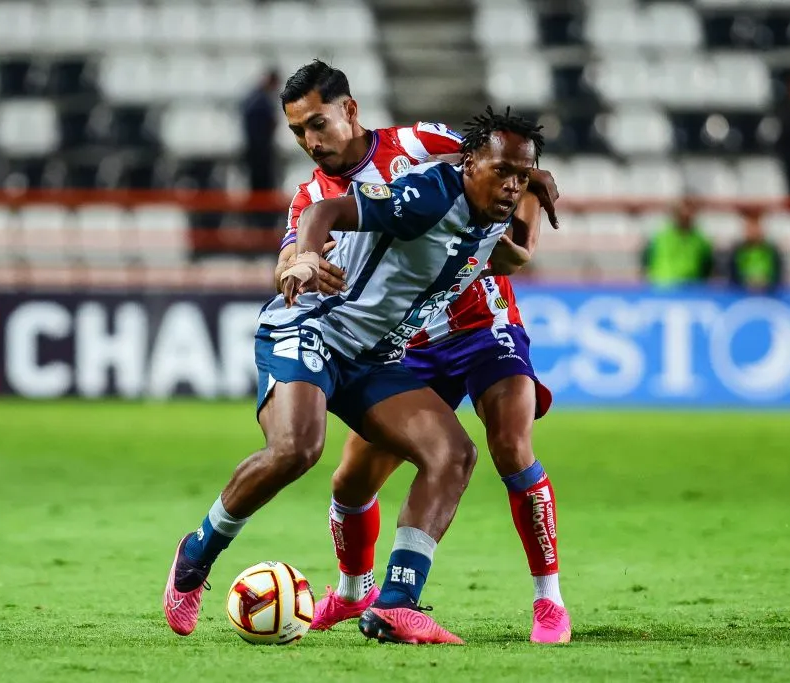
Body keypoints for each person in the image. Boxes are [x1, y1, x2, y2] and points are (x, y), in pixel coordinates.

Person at [163, 107, 544, 646]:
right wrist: (305, 259)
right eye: (501, 171)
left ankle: (394, 604)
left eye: (520, 176)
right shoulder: (429, 196)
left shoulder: (492, 204)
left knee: (452, 455)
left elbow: (503, 255)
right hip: (314, 328)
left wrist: (529, 186)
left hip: (374, 357)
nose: (511, 185)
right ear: (469, 163)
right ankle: (197, 551)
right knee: (297, 450)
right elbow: (323, 210)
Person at [274, 61, 570, 643]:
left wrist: (533, 180)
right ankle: (353, 591)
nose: (312, 141)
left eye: (318, 124)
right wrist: (297, 264)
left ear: (349, 110)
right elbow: (292, 252)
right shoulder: (309, 196)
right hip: (406, 340)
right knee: (350, 483)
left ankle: (548, 600)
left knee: (510, 444)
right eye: (298, 132)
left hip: (483, 323)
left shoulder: (420, 143)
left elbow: (502, 161)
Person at [241, 69, 282, 227]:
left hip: (258, 152)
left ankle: (259, 223)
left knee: (259, 189)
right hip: (260, 153)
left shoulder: (254, 99)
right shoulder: (260, 101)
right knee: (261, 189)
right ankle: (261, 224)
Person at [641, 199, 714, 287]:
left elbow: (707, 266)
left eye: (688, 215)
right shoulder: (660, 238)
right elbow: (646, 260)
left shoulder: (701, 240)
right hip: (663, 287)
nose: (685, 217)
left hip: (691, 288)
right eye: (682, 214)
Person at [728, 212, 784, 294]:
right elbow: (733, 274)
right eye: (749, 228)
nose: (752, 231)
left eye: (755, 228)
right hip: (742, 293)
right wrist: (745, 281)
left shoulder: (771, 250)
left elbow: (777, 273)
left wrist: (767, 282)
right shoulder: (738, 251)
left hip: (768, 293)